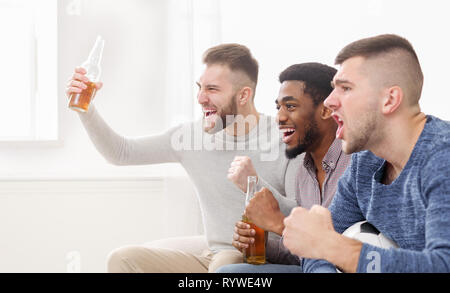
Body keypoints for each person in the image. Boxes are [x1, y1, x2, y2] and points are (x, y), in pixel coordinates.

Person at [65, 43, 301, 273]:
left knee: (226, 265)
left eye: (212, 89)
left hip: (258, 260)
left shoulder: (283, 138)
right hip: (213, 257)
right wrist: (86, 109)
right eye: (199, 87)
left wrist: (254, 183)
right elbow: (121, 152)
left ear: (243, 95)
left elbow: (301, 215)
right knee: (122, 259)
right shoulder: (190, 137)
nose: (200, 98)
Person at [282, 34, 450, 273]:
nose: (329, 102)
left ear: (389, 100)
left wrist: (334, 247)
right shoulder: (365, 163)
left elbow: (443, 266)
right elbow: (315, 251)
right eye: (333, 89)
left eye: (346, 88)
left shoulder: (442, 157)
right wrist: (325, 250)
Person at [216, 63, 351, 273]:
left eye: (290, 106)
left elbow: (331, 247)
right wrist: (259, 242)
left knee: (230, 274)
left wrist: (278, 222)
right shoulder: (304, 173)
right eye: (278, 107)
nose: (279, 117)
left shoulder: (355, 163)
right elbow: (303, 254)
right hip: (313, 267)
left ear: (326, 110)